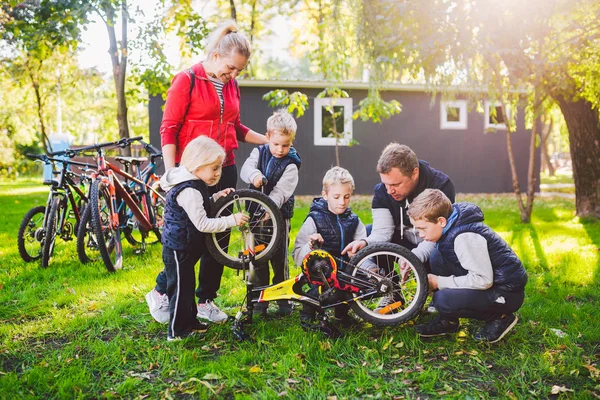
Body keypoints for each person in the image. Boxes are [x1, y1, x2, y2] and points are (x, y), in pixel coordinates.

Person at [146, 20, 267, 324]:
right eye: (230, 68)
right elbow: (169, 128)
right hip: (194, 173)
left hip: (224, 167)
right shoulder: (187, 80)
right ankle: (162, 291)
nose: (233, 75)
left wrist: (268, 140)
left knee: (220, 237)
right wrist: (171, 172)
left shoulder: (231, 85)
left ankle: (206, 300)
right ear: (216, 55)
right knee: (192, 240)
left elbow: (235, 127)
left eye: (239, 70)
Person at [341, 143, 456, 311]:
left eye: (395, 184)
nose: (389, 191)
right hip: (402, 240)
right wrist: (365, 243)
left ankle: (437, 293)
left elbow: (440, 232)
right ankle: (392, 292)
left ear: (414, 173)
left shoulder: (441, 185)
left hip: (435, 240)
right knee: (369, 232)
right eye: (385, 184)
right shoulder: (382, 192)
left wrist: (413, 258)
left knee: (443, 247)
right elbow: (382, 232)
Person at [408, 189, 527, 343]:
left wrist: (440, 282)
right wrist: (410, 259)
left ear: (441, 221)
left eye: (423, 229)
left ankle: (500, 317)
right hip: (492, 284)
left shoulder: (465, 237)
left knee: (442, 299)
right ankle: (448, 321)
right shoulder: (451, 226)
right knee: (437, 256)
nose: (420, 235)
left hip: (506, 292)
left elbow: (483, 280)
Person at [160, 136, 249, 341]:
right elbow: (203, 223)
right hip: (178, 248)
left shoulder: (195, 184)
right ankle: (176, 331)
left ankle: (190, 322)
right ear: (197, 165)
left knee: (188, 286)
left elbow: (200, 206)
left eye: (219, 168)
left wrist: (216, 198)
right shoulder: (189, 189)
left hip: (186, 245)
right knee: (180, 290)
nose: (218, 173)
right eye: (214, 168)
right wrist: (231, 220)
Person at [240, 109, 301, 316]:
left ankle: (284, 299)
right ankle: (260, 298)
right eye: (276, 144)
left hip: (278, 215)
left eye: (286, 145)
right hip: (255, 214)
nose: (280, 149)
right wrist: (255, 175)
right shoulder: (259, 152)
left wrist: (270, 208)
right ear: (267, 138)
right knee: (257, 254)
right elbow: (246, 169)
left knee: (279, 256)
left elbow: (281, 191)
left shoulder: (291, 164)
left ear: (291, 142)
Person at [292, 167, 368, 327]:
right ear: (325, 195)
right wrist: (311, 245)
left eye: (347, 197)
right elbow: (297, 254)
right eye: (337, 196)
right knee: (314, 290)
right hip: (320, 273)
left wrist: (358, 248)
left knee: (347, 288)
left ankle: (342, 314)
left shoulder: (354, 220)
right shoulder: (314, 219)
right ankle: (307, 315)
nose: (342, 202)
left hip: (344, 271)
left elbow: (363, 242)